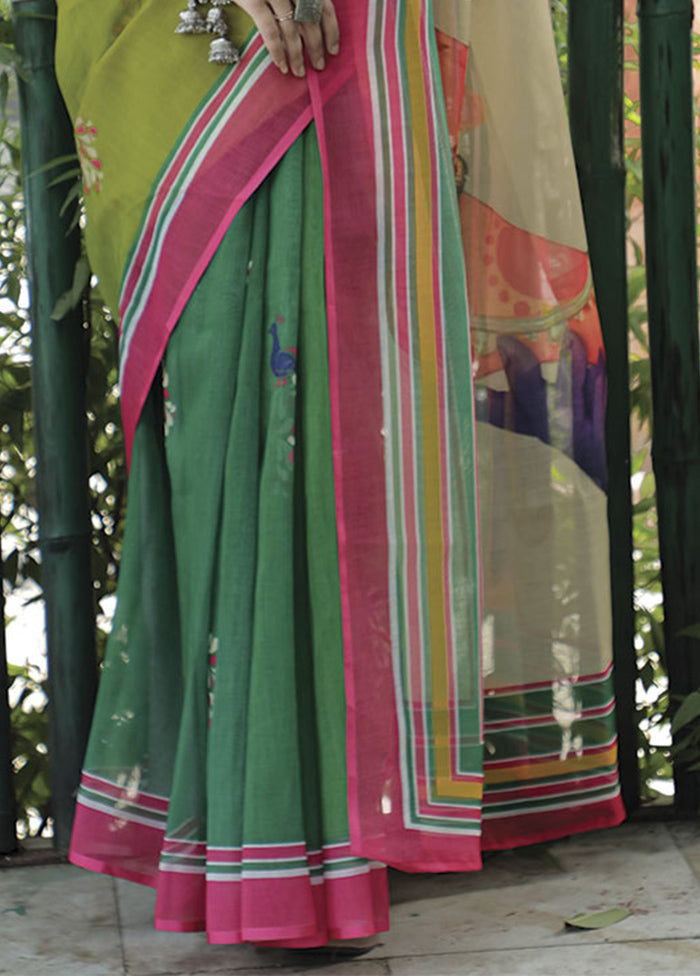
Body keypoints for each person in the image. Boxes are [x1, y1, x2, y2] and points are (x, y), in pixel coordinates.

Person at [55, 0, 625, 947]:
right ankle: (264, 842)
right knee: (252, 419)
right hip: (207, 49)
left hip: (372, 46)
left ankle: (337, 838)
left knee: (353, 419)